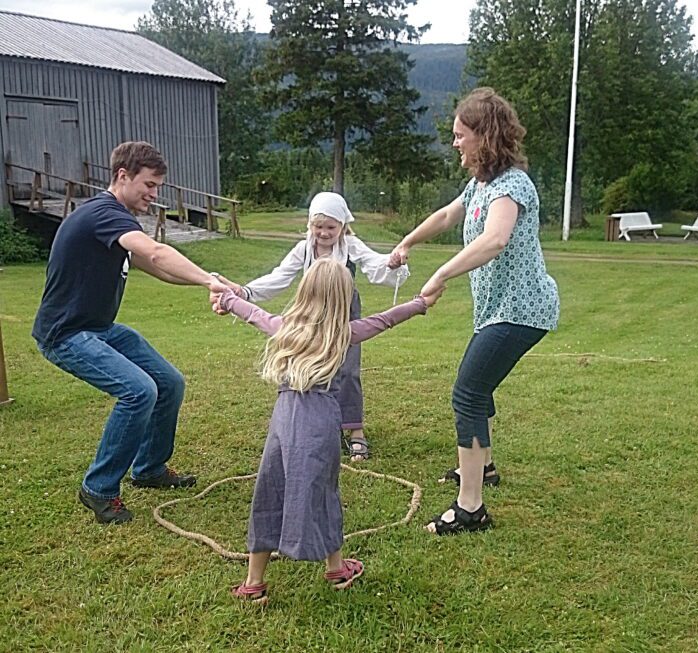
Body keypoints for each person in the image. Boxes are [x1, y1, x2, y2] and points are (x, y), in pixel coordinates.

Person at [211, 258, 439, 604]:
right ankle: (336, 568)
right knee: (321, 493)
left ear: (305, 291)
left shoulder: (285, 327)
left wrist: (227, 298)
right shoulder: (344, 334)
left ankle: (254, 582)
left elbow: (252, 313)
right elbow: (385, 320)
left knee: (271, 487)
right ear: (343, 298)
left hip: (283, 420)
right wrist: (421, 303)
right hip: (319, 422)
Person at [388, 87, 560, 535]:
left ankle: (471, 509)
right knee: (477, 391)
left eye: (461, 135)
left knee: (467, 393)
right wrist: (408, 241)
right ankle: (481, 469)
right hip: (499, 310)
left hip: (521, 311)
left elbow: (496, 238)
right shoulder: (480, 183)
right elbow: (448, 216)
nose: (455, 143)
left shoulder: (513, 185)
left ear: (486, 137)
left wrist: (442, 274)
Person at [32, 141, 230, 525]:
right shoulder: (104, 213)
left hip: (98, 329)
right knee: (139, 391)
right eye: (150, 185)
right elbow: (155, 253)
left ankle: (149, 469)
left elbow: (156, 267)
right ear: (123, 176)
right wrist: (209, 278)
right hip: (65, 333)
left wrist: (211, 283)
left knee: (169, 382)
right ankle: (99, 489)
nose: (155, 195)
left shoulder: (116, 218)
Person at [212, 191, 408, 462]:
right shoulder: (304, 248)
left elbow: (375, 263)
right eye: (318, 227)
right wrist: (245, 293)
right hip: (309, 310)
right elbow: (280, 276)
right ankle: (313, 422)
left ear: (342, 226)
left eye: (330, 227)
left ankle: (354, 430)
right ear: (309, 226)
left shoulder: (350, 245)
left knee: (347, 368)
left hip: (343, 311)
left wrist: (391, 263)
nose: (324, 233)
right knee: (305, 366)